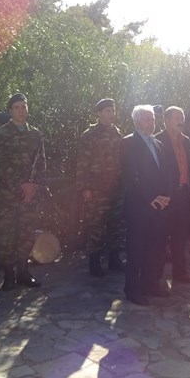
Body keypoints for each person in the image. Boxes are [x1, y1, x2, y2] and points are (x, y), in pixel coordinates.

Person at [0, 93, 46, 291]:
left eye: (24, 107)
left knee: (27, 232)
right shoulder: (1, 134)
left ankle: (23, 271)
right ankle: (8, 274)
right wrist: (22, 185)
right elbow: (1, 165)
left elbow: (41, 163)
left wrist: (34, 186)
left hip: (30, 195)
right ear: (10, 111)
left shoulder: (35, 134)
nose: (21, 111)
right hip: (9, 194)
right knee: (7, 234)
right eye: (17, 107)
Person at [121, 105, 171, 305]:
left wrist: (166, 196)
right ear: (137, 121)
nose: (152, 123)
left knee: (156, 247)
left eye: (153, 119)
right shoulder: (128, 142)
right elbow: (130, 175)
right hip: (139, 206)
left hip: (159, 205)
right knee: (137, 249)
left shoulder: (158, 143)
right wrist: (151, 197)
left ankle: (151, 284)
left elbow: (165, 172)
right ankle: (133, 290)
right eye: (148, 119)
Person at [75, 98, 124, 277]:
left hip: (115, 187)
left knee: (116, 224)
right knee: (96, 224)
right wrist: (84, 188)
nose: (111, 114)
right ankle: (94, 261)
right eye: (108, 111)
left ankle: (114, 258)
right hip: (96, 189)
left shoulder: (117, 134)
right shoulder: (89, 135)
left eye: (113, 110)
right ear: (99, 113)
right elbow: (82, 163)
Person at [156, 106, 190, 283]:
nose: (181, 121)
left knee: (180, 235)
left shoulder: (186, 140)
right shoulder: (157, 140)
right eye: (177, 118)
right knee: (160, 237)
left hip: (184, 194)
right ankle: (155, 277)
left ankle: (180, 272)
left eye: (182, 117)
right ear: (167, 121)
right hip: (166, 196)